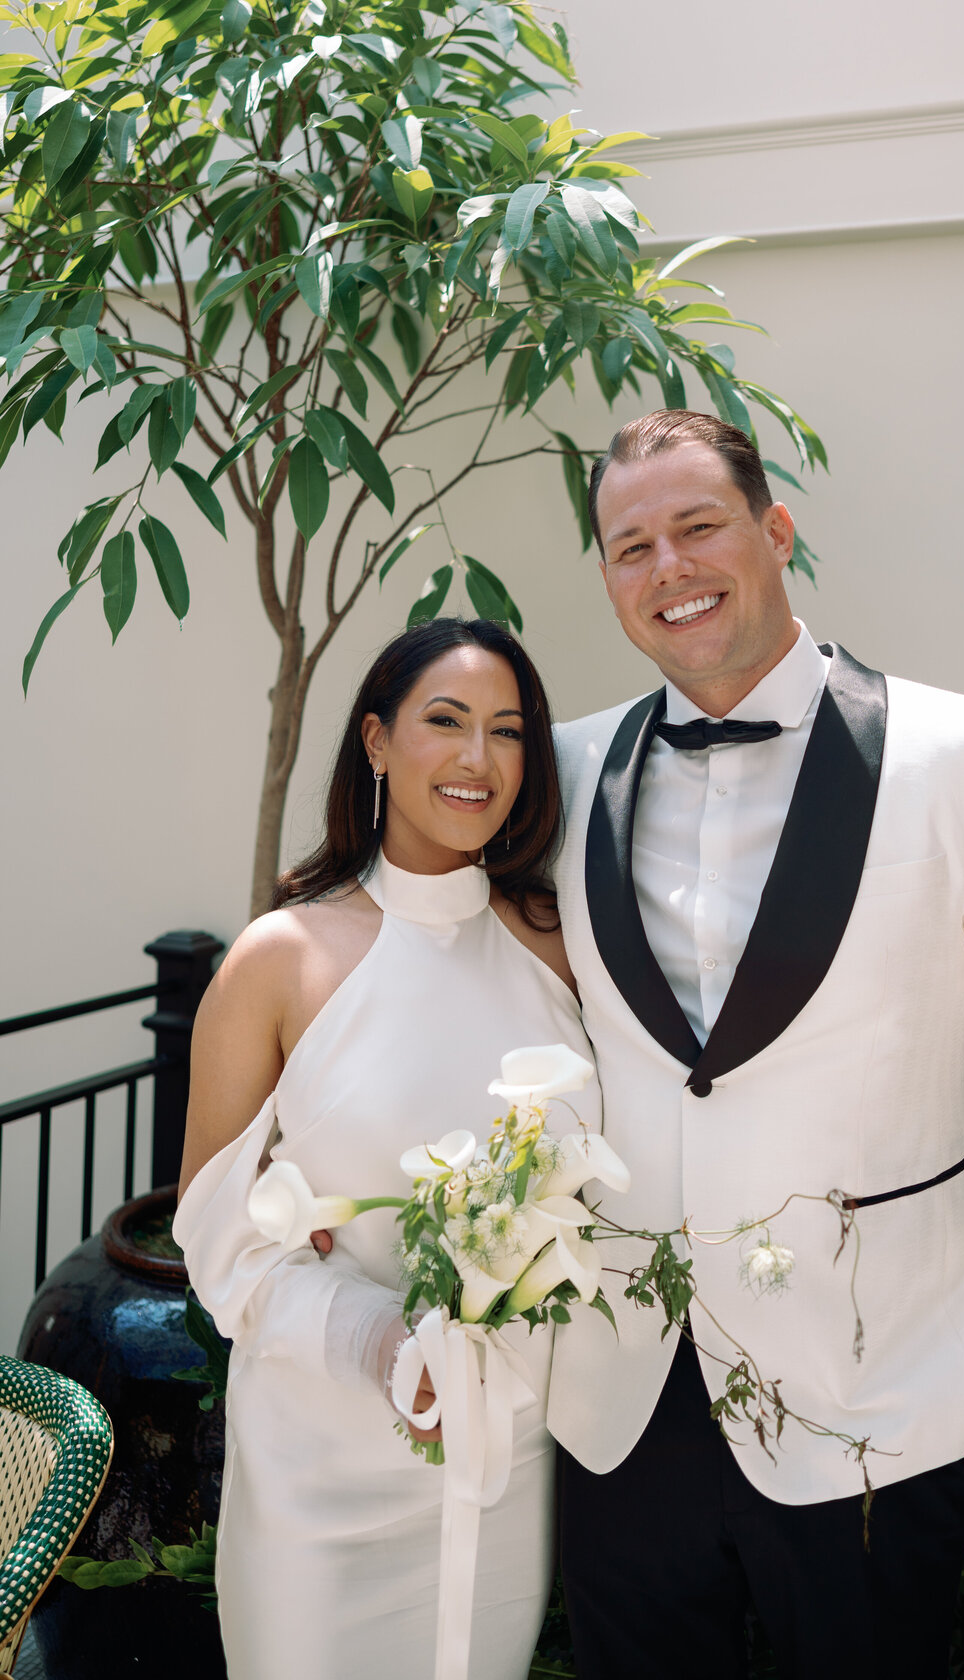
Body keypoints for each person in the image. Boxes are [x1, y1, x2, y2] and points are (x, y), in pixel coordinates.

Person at [546, 410, 964, 1678]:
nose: (670, 566)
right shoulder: (558, 772)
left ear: (775, 531)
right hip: (621, 1407)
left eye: (699, 525)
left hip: (885, 1402)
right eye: (630, 546)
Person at [173, 619, 599, 1680]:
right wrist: (380, 1342)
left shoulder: (558, 943)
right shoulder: (283, 957)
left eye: (507, 732)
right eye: (443, 723)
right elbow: (219, 1240)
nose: (476, 760)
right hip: (320, 1476)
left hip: (506, 1460)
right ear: (374, 741)